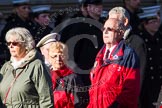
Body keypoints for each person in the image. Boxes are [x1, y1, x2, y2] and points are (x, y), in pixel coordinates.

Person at [87, 18, 140, 108]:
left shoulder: (127, 54)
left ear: (120, 33)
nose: (105, 32)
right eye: (104, 29)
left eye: (110, 29)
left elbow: (131, 90)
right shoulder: (100, 55)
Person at [0, 27, 54, 107]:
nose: (11, 46)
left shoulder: (37, 65)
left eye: (14, 43)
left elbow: (46, 99)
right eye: (8, 43)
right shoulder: (6, 67)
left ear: (26, 45)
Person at [58, 0, 104, 86]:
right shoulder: (80, 24)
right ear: (88, 8)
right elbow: (72, 48)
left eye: (100, 5)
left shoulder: (103, 23)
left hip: (100, 67)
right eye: (96, 5)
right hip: (84, 69)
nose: (99, 7)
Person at [108, 6, 146, 92]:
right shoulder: (108, 41)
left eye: (114, 20)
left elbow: (138, 75)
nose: (110, 25)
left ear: (125, 21)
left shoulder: (136, 42)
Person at [48, 42, 88, 108]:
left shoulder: (73, 78)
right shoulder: (45, 75)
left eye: (61, 56)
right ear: (49, 58)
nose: (58, 59)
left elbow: (79, 104)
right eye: (54, 56)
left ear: (66, 57)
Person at [137, 5, 162, 108]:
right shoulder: (139, 39)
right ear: (145, 24)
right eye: (152, 22)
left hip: (159, 82)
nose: (156, 24)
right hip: (146, 84)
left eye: (156, 21)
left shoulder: (160, 37)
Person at [0, 0, 34, 67]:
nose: (27, 10)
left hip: (29, 55)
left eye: (28, 8)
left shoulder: (31, 23)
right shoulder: (11, 24)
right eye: (24, 8)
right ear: (17, 10)